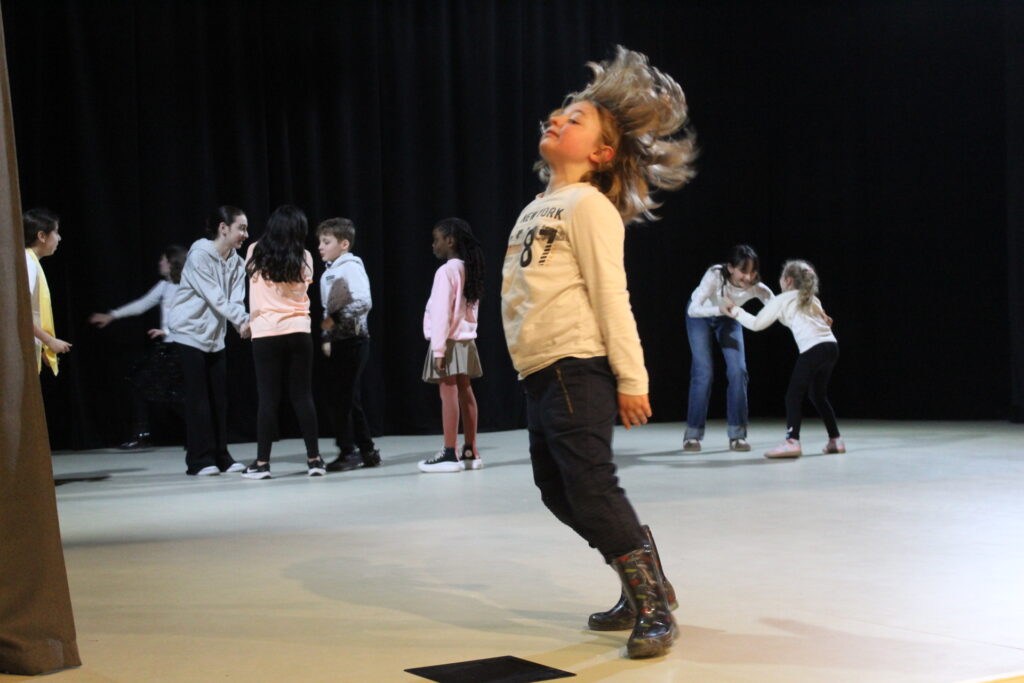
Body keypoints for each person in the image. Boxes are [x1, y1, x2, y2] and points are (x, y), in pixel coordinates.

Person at [500, 46, 695, 658]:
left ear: (602, 153)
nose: (557, 119)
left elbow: (612, 295)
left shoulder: (588, 206)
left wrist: (632, 378)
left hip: (574, 366)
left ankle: (652, 605)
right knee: (556, 489)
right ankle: (645, 580)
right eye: (558, 114)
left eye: (576, 119)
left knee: (590, 486)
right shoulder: (538, 206)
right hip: (539, 370)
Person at [726, 259, 843, 458]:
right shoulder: (811, 298)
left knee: (792, 396)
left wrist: (735, 310)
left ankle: (792, 441)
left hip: (813, 349)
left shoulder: (782, 299)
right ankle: (836, 440)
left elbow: (756, 324)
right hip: (831, 347)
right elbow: (801, 319)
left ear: (787, 280)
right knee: (817, 395)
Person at [241, 205, 324, 480]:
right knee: (302, 396)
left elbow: (252, 281)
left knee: (268, 399)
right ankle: (315, 460)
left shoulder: (255, 250)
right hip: (299, 330)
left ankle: (262, 463)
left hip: (265, 332)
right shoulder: (305, 256)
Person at [167, 206, 251, 476]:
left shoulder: (236, 262)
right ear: (223, 228)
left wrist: (241, 321)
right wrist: (241, 320)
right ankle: (199, 460)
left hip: (215, 337)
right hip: (189, 332)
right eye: (241, 228)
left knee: (219, 400)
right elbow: (215, 296)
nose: (245, 234)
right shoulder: (200, 254)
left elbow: (235, 299)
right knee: (198, 400)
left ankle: (221, 456)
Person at [89, 246, 187, 449]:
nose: (160, 263)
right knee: (143, 386)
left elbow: (190, 316)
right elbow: (142, 305)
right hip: (167, 348)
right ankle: (142, 434)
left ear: (173, 263)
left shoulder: (187, 287)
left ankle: (197, 434)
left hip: (183, 347)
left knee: (177, 395)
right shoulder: (164, 286)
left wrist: (167, 331)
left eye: (163, 260)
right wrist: (112, 315)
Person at [683, 245, 773, 453]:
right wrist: (718, 309)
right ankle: (693, 435)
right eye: (743, 271)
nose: (748, 277)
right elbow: (693, 309)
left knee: (738, 371)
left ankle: (737, 435)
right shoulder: (715, 274)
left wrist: (812, 317)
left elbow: (778, 308)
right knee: (703, 372)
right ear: (731, 268)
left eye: (752, 271)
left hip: (729, 317)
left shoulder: (757, 287)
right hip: (700, 317)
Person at [418, 217, 484, 473]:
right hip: (466, 340)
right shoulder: (470, 268)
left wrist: (438, 349)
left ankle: (449, 452)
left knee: (448, 392)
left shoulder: (446, 271)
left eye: (437, 240)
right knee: (465, 391)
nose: (433, 245)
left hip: (448, 340)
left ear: (450, 241)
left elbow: (441, 312)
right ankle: (470, 450)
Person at [316, 217, 381, 472]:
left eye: (326, 242)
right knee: (347, 398)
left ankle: (349, 451)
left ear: (344, 244)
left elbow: (364, 301)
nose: (320, 247)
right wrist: (327, 336)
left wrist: (334, 320)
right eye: (320, 242)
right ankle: (367, 451)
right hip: (340, 342)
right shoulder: (328, 273)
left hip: (355, 340)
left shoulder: (351, 267)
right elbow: (327, 309)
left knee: (343, 399)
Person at [24, 208, 71, 374]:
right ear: (42, 236)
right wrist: (49, 340)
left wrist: (44, 344)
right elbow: (21, 312)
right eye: (56, 232)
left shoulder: (30, 261)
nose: (59, 238)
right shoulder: (28, 263)